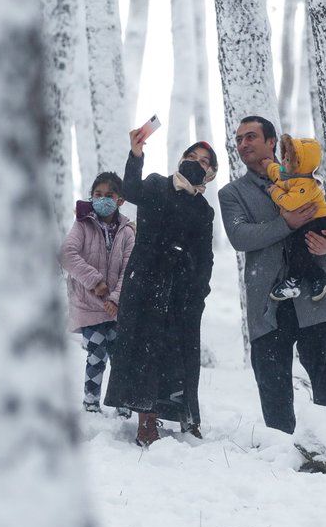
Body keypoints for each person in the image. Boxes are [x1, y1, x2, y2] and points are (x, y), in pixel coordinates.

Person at [218, 115, 326, 434]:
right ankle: (282, 459)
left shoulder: (308, 176)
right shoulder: (232, 193)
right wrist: (286, 223)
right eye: (239, 139)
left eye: (250, 136)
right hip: (268, 306)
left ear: (271, 142)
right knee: (275, 402)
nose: (243, 144)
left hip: (315, 299)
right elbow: (240, 237)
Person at [103, 131, 216, 447]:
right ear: (181, 160)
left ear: (210, 173)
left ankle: (186, 415)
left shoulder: (204, 209)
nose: (196, 163)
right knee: (145, 349)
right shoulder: (156, 184)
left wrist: (200, 292)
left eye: (204, 162)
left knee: (181, 352)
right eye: (192, 157)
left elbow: (205, 255)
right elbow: (130, 190)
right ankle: (146, 420)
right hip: (146, 280)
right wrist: (136, 154)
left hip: (182, 289)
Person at [60, 172, 136, 414]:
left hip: (115, 307)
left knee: (120, 356)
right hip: (87, 304)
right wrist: (95, 281)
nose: (103, 200)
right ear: (91, 197)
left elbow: (129, 269)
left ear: (120, 200)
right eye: (98, 194)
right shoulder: (82, 224)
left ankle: (122, 406)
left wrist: (115, 299)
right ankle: (91, 403)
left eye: (109, 196)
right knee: (97, 353)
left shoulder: (127, 232)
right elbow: (67, 254)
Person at [260, 134, 326, 302]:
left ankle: (293, 283)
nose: (283, 162)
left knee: (299, 250)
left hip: (320, 222)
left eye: (288, 160)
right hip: (309, 221)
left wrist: (274, 191)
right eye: (284, 157)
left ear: (300, 165)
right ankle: (319, 278)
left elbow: (290, 203)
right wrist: (268, 165)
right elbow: (277, 172)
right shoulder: (289, 174)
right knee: (299, 251)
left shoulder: (305, 183)